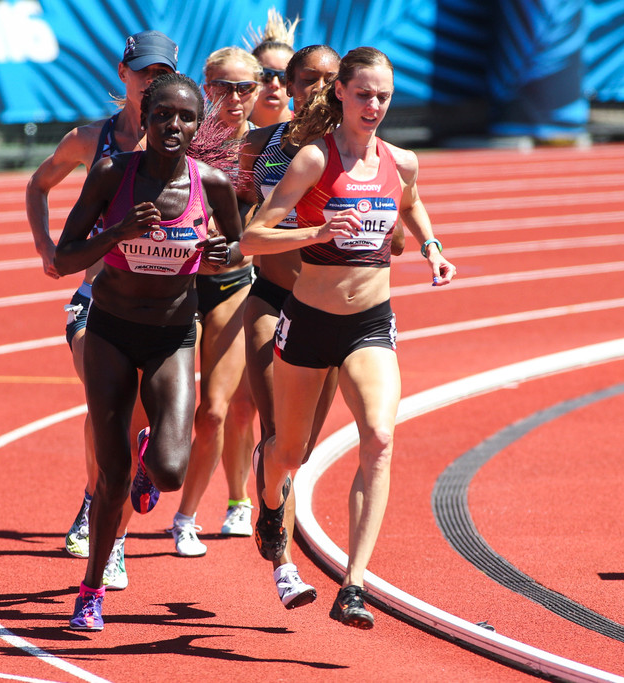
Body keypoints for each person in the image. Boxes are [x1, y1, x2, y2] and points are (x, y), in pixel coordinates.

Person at [240, 47, 456, 630]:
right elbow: (252, 239)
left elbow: (411, 206)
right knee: (288, 452)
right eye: (363, 94)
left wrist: (432, 248)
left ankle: (353, 585)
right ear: (341, 93)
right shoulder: (314, 159)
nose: (374, 105)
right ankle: (268, 502)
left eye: (383, 95)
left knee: (380, 438)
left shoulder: (401, 161)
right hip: (309, 321)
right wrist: (314, 229)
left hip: (370, 322)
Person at [54, 71, 245, 631]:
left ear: (197, 124)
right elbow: (65, 258)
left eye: (186, 117)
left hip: (171, 335)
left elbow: (235, 251)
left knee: (168, 472)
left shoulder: (211, 184)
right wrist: (115, 235)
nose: (175, 126)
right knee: (109, 479)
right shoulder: (114, 175)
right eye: (164, 115)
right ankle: (91, 591)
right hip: (111, 332)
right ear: (147, 118)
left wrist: (219, 253)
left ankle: (148, 458)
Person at [25, 31, 177, 590]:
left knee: (144, 423)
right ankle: (111, 540)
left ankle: (100, 495)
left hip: (163, 309)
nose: (151, 82)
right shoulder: (92, 140)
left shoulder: (189, 141)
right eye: (143, 72)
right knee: (110, 408)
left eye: (161, 74)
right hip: (96, 302)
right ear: (123, 73)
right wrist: (47, 248)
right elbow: (38, 183)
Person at [238, 43, 342, 610]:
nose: (318, 91)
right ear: (291, 83)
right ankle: (284, 564)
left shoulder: (353, 156)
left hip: (326, 310)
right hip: (271, 298)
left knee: (296, 450)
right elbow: (208, 193)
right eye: (307, 80)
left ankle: (270, 503)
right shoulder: (262, 145)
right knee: (275, 428)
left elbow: (394, 239)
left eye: (330, 80)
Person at [165, 46, 263, 557]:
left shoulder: (267, 147)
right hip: (177, 284)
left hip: (232, 284)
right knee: (160, 410)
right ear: (206, 87)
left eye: (246, 87)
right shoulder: (182, 140)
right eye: (224, 86)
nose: (235, 97)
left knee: (217, 413)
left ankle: (191, 517)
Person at [246, 9, 299, 128]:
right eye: (266, 75)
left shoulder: (306, 131)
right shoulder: (230, 128)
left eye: (284, 77)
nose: (274, 84)